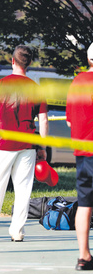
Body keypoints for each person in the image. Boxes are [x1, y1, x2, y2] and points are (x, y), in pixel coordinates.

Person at [0, 45, 48, 243]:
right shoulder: (36, 89)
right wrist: (43, 147)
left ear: (12, 61)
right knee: (23, 189)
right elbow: (44, 120)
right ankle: (17, 231)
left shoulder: (0, 84)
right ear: (29, 64)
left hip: (2, 143)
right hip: (28, 143)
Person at [66, 42, 93, 271]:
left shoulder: (77, 81)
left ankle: (83, 257)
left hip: (82, 154)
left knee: (84, 204)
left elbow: (69, 119)